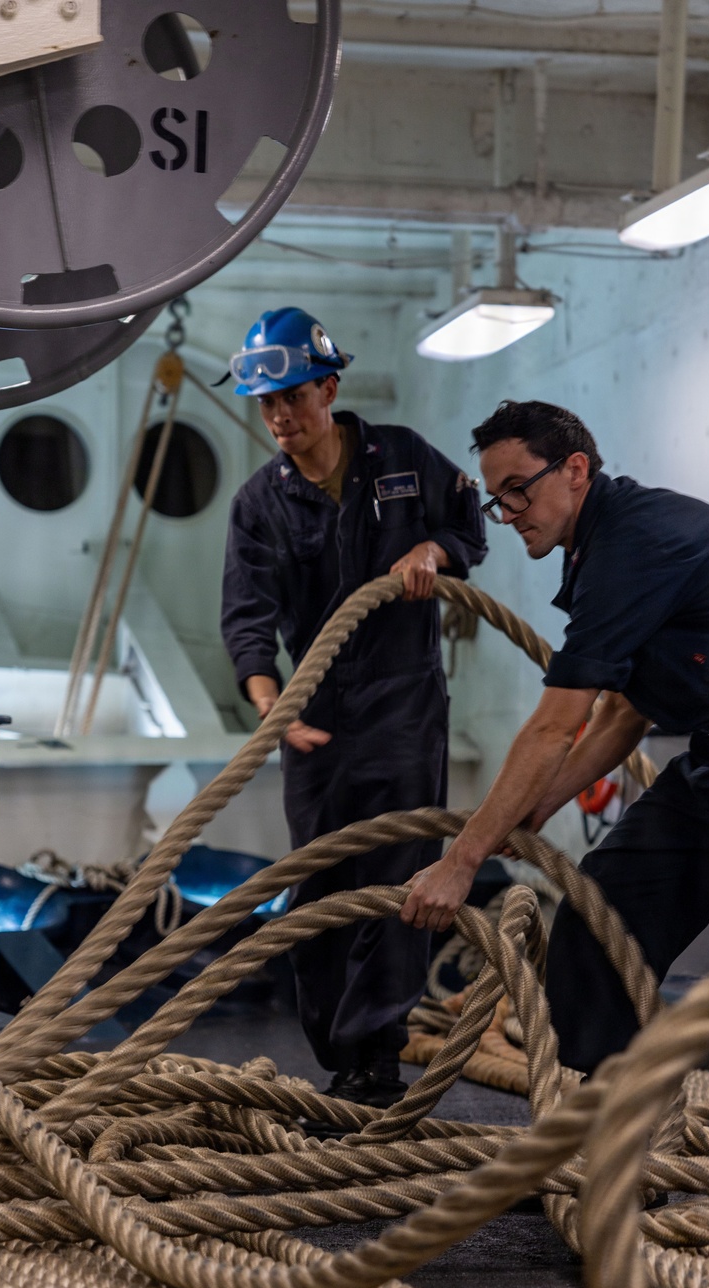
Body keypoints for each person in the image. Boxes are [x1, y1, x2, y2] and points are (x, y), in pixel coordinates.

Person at [400, 399, 709, 1165]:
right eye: (496, 499)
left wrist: (465, 860)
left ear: (576, 470)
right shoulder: (595, 553)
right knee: (603, 905)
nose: (508, 513)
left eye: (519, 490)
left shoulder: (634, 542)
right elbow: (622, 716)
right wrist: (540, 811)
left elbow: (554, 726)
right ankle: (601, 1120)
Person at [220, 307, 487, 1107]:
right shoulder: (258, 504)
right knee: (322, 888)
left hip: (406, 703)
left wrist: (433, 550)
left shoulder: (402, 457)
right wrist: (273, 706)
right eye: (266, 406)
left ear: (329, 388)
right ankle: (339, 1047)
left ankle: (377, 1053)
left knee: (400, 881)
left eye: (292, 400)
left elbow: (468, 521)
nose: (279, 419)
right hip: (315, 719)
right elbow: (246, 621)